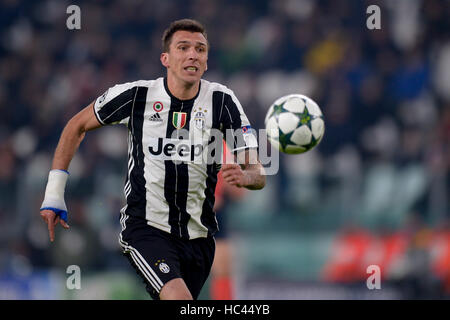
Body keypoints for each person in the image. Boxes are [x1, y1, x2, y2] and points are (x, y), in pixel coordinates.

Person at [39, 19, 265, 300]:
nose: (193, 54)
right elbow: (76, 126)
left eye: (200, 49)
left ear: (206, 62)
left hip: (199, 238)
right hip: (146, 229)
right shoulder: (136, 96)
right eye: (183, 48)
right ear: (166, 59)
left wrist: (247, 177)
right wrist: (53, 194)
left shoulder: (223, 101)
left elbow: (258, 172)